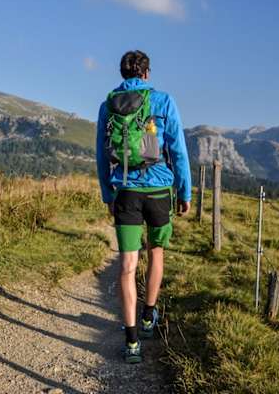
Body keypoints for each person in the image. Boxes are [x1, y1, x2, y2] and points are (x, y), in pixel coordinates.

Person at [96, 50, 191, 364]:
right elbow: (177, 149)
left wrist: (109, 195)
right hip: (159, 189)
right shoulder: (163, 101)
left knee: (126, 266)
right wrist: (184, 191)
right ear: (146, 73)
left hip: (125, 191)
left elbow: (101, 155)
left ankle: (132, 340)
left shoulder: (108, 105)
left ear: (123, 73)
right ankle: (149, 316)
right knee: (156, 255)